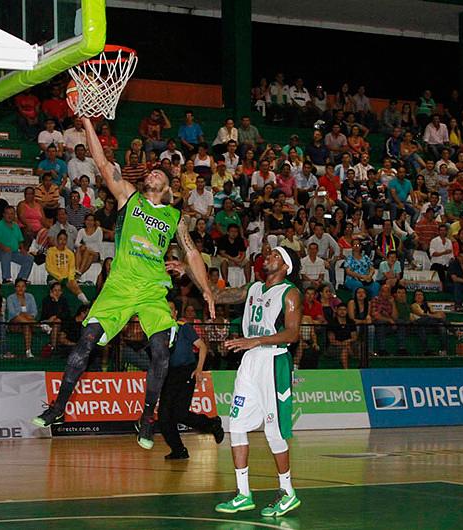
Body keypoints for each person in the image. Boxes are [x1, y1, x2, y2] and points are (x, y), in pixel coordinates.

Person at [33, 117, 214, 451]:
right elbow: (101, 163)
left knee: (161, 351)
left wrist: (205, 289)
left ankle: (147, 417)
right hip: (119, 285)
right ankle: (59, 406)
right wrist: (88, 124)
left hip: (151, 290)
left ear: (168, 188)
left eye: (160, 172)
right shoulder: (129, 197)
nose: (155, 171)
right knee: (87, 339)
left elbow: (192, 254)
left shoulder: (175, 217)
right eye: (152, 171)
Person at [208, 247, 302, 517]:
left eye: (274, 255)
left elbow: (293, 334)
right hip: (250, 360)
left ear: (285, 266)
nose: (268, 257)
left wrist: (256, 340)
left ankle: (288, 492)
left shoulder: (290, 293)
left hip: (273, 361)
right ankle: (243, 493)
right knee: (236, 424)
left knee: (274, 432)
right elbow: (217, 294)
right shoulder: (253, 288)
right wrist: (189, 270)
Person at [157, 300, 224, 460]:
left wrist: (199, 369)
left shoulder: (184, 328)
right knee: (164, 415)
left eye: (171, 309)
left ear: (175, 314)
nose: (168, 312)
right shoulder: (159, 330)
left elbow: (202, 346)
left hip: (186, 372)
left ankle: (212, 423)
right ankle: (178, 450)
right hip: (169, 375)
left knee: (179, 413)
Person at [0, 206, 34, 283]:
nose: (10, 216)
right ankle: (6, 279)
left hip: (13, 252)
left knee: (29, 258)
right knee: (7, 252)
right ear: (3, 215)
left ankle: (21, 279)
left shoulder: (16, 226)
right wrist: (3, 247)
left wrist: (22, 249)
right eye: (7, 213)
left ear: (14, 215)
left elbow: (20, 240)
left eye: (12, 214)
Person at [45, 232, 90, 306]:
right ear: (57, 240)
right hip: (53, 277)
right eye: (60, 239)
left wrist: (71, 279)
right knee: (57, 287)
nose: (62, 241)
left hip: (66, 278)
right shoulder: (50, 251)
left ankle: (85, 301)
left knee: (73, 283)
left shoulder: (70, 253)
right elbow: (49, 267)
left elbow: (72, 268)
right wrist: (60, 278)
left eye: (64, 239)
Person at [6, 278, 39, 358]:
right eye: (18, 286)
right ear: (15, 288)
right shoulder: (10, 298)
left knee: (26, 325)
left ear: (26, 287)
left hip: (27, 323)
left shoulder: (30, 296)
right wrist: (23, 314)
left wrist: (26, 315)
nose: (20, 288)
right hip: (14, 324)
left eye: (23, 286)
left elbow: (34, 312)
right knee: (18, 317)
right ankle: (39, 326)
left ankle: (28, 351)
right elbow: (12, 313)